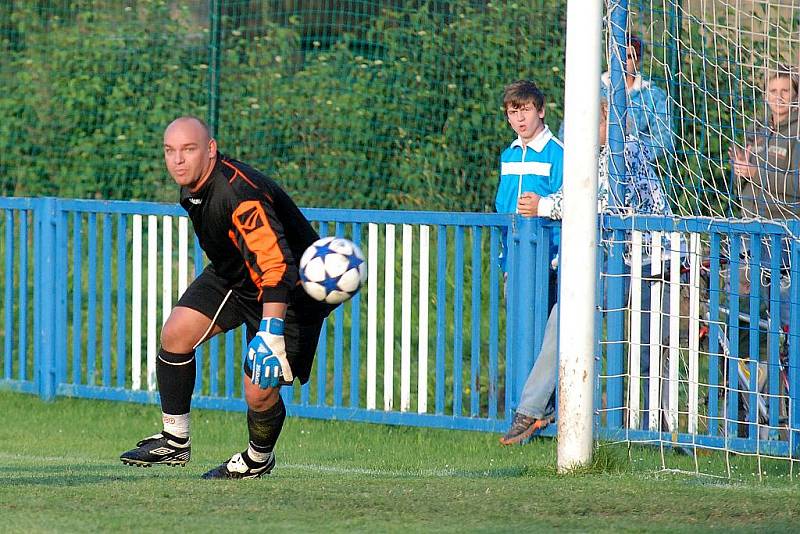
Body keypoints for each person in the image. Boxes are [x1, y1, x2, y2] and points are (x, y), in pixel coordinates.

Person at [119, 116, 336, 479]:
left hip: (287, 292)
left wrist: (270, 329)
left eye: (188, 150)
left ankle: (257, 458)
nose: (178, 160)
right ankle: (175, 440)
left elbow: (276, 264)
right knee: (176, 334)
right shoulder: (197, 184)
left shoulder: (239, 193)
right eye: (170, 151)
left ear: (211, 150)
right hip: (234, 275)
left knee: (259, 392)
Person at [501, 95, 675, 445]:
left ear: (609, 120)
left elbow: (600, 200)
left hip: (644, 263)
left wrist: (545, 205)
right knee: (564, 319)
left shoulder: (625, 151)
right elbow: (575, 194)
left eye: (593, 122)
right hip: (608, 263)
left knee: (648, 353)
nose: (586, 131)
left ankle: (661, 431)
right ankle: (535, 408)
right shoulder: (588, 155)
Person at [495, 79, 563, 309]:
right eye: (513, 112)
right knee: (517, 337)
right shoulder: (508, 156)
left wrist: (556, 259)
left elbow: (567, 204)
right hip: (515, 261)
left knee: (545, 339)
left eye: (526, 110)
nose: (520, 119)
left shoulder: (559, 154)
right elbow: (503, 207)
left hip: (549, 266)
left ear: (541, 110)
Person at [560, 34, 674, 162]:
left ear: (639, 61)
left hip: (634, 167)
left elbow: (665, 137)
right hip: (589, 163)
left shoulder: (652, 95)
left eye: (630, 57)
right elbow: (567, 131)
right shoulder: (592, 88)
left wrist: (632, 154)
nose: (624, 62)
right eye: (620, 56)